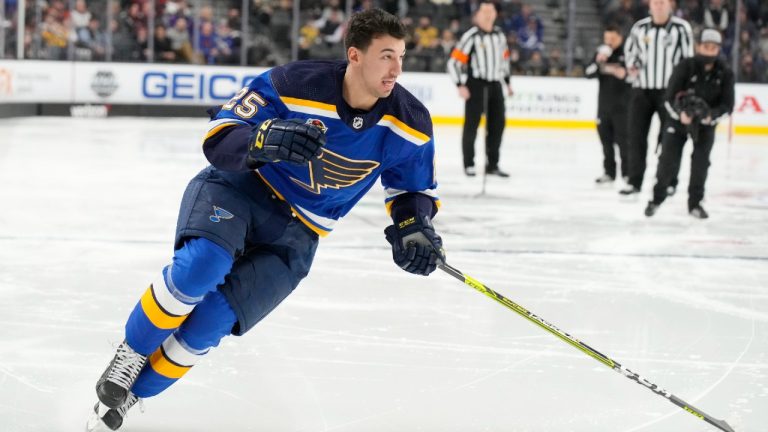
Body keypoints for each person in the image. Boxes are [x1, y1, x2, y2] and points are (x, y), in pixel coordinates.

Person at [87, 9, 445, 431]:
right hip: (241, 189)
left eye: (401, 57)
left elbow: (410, 189)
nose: (396, 69)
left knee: (211, 323)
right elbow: (220, 133)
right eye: (387, 56)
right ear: (355, 54)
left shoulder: (411, 122)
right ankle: (130, 354)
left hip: (300, 234)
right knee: (203, 265)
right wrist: (261, 139)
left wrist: (414, 228)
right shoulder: (294, 84)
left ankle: (131, 397)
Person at [644, 28, 734, 219]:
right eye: (705, 47)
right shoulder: (685, 66)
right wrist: (680, 114)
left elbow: (728, 105)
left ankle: (695, 203)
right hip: (678, 123)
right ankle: (657, 198)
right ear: (698, 46)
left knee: (701, 164)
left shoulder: (725, 72)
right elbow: (668, 97)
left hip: (706, 125)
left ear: (718, 49)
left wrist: (712, 116)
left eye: (713, 48)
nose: (709, 51)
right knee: (667, 160)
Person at [621, 0, 693, 197]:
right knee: (636, 137)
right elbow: (630, 52)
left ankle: (669, 180)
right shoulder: (640, 27)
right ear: (649, 5)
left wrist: (683, 89)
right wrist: (633, 65)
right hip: (641, 90)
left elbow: (688, 60)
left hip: (670, 92)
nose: (659, 5)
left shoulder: (681, 28)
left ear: (670, 5)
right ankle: (634, 181)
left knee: (671, 138)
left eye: (663, 2)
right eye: (655, 2)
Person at [447, 1, 513, 177]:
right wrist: (460, 85)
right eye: (484, 11)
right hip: (476, 85)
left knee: (497, 125)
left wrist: (508, 82)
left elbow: (504, 60)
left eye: (491, 11)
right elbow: (453, 62)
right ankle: (469, 163)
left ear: (495, 14)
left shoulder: (500, 35)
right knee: (472, 126)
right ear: (477, 15)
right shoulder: (472, 36)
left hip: (495, 84)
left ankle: (493, 164)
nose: (488, 14)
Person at [585, 24, 630, 185]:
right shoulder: (601, 53)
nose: (609, 42)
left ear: (620, 37)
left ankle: (627, 174)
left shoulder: (628, 53)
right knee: (606, 142)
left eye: (612, 38)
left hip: (623, 108)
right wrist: (599, 62)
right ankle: (609, 173)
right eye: (607, 38)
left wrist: (624, 74)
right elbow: (588, 73)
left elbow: (633, 76)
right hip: (604, 107)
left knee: (624, 143)